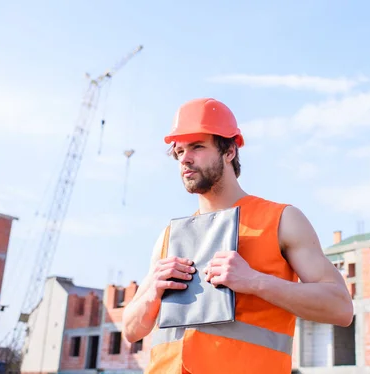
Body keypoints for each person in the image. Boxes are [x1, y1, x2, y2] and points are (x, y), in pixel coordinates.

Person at [122, 98, 353, 373]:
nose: (185, 158)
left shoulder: (281, 221)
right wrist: (152, 293)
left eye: (197, 146)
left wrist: (254, 281)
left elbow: (340, 307)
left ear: (229, 150)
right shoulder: (169, 237)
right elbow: (130, 331)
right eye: (179, 151)